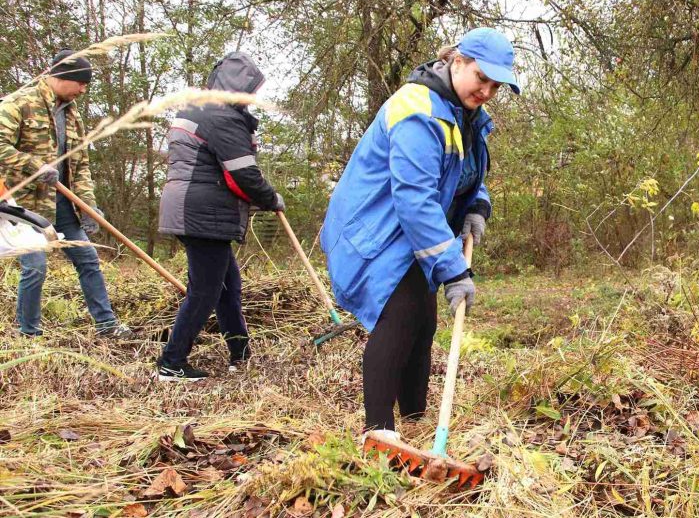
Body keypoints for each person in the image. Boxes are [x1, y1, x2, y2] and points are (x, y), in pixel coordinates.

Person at [321, 27, 521, 438]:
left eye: (495, 85)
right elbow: (415, 198)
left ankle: (415, 422)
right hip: (375, 229)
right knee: (400, 316)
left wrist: (477, 205)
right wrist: (453, 269)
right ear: (457, 62)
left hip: (410, 230)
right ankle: (379, 433)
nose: (486, 91)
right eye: (481, 78)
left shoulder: (466, 116)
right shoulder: (417, 110)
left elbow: (462, 172)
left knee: (423, 322)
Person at [156, 52, 285, 382]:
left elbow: (215, 167)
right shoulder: (221, 116)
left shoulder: (201, 108)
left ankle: (240, 352)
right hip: (201, 212)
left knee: (228, 285)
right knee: (205, 289)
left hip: (194, 207)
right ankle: (172, 362)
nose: (253, 97)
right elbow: (243, 172)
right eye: (250, 90)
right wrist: (271, 199)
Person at [0, 50, 132, 338]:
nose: (84, 90)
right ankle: (29, 334)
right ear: (63, 77)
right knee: (35, 267)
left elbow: (80, 164)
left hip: (64, 206)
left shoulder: (72, 114)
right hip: (25, 207)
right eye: (81, 83)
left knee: (88, 260)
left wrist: (89, 206)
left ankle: (107, 326)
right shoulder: (18, 104)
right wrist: (34, 166)